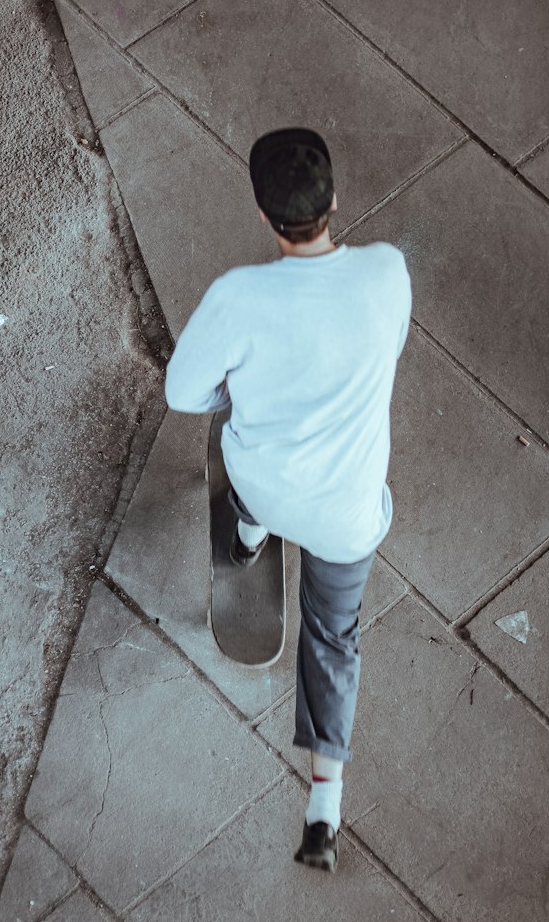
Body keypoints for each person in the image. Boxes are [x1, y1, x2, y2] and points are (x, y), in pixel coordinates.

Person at [164, 128, 411, 872]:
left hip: (271, 484)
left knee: (241, 464)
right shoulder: (388, 274)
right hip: (345, 514)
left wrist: (231, 391)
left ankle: (245, 536)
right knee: (333, 639)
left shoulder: (238, 296)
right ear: (333, 201)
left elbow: (184, 393)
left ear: (267, 217)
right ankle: (324, 805)